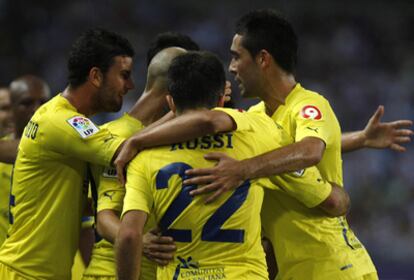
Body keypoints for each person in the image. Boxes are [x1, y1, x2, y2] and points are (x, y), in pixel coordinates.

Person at [114, 10, 412, 280]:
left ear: (263, 59)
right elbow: (206, 121)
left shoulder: (308, 104)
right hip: (286, 267)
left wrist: (243, 170)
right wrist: (358, 139)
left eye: (236, 57)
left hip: (330, 264)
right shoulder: (255, 120)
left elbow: (310, 151)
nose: (231, 68)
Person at [115, 51, 349, 280]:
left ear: (170, 102)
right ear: (220, 100)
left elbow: (127, 236)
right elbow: (324, 195)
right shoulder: (256, 131)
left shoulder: (144, 157)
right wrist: (334, 197)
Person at [0, 28, 134, 280]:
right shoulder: (61, 120)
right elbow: (125, 150)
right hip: (24, 273)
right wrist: (183, 111)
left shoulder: (65, 125)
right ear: (95, 76)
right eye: (124, 75)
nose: (130, 85)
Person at [83, 46, 187, 280]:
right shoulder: (114, 137)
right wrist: (139, 240)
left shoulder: (175, 135)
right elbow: (105, 219)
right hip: (111, 271)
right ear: (178, 84)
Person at [0, 76, 50, 247]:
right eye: (27, 103)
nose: (36, 109)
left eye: (43, 102)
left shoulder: (65, 153)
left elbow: (84, 222)